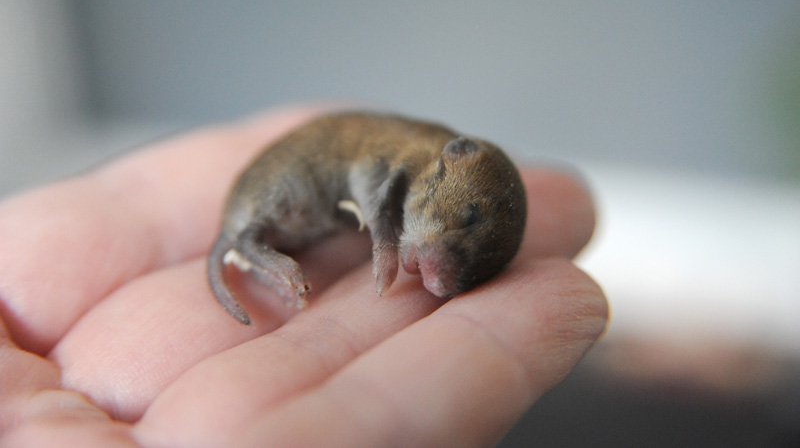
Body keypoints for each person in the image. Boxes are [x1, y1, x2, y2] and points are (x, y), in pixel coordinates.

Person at [0, 107, 608, 447]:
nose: (441, 275)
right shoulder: (408, 154)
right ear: (455, 163)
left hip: (313, 210)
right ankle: (254, 249)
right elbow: (373, 187)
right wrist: (385, 240)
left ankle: (262, 247)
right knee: (257, 224)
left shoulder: (442, 170)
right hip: (281, 192)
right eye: (464, 229)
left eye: (467, 265)